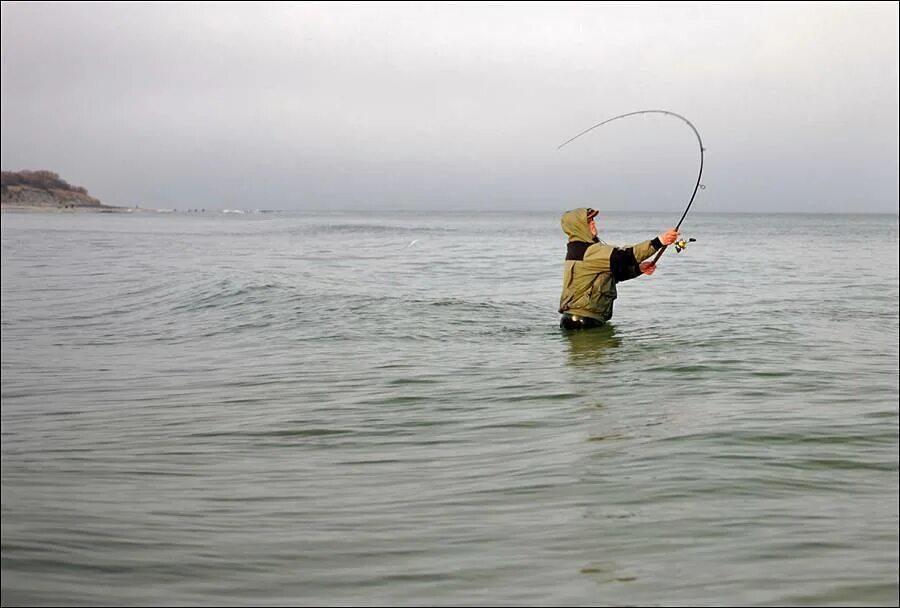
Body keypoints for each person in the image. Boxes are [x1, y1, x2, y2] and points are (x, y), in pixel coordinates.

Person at [558, 207, 679, 330]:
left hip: (579, 320)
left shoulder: (579, 249)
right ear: (579, 226)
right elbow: (626, 256)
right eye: (589, 221)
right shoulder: (587, 251)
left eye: (593, 219)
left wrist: (638, 269)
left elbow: (611, 275)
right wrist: (659, 241)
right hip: (583, 322)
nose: (594, 222)